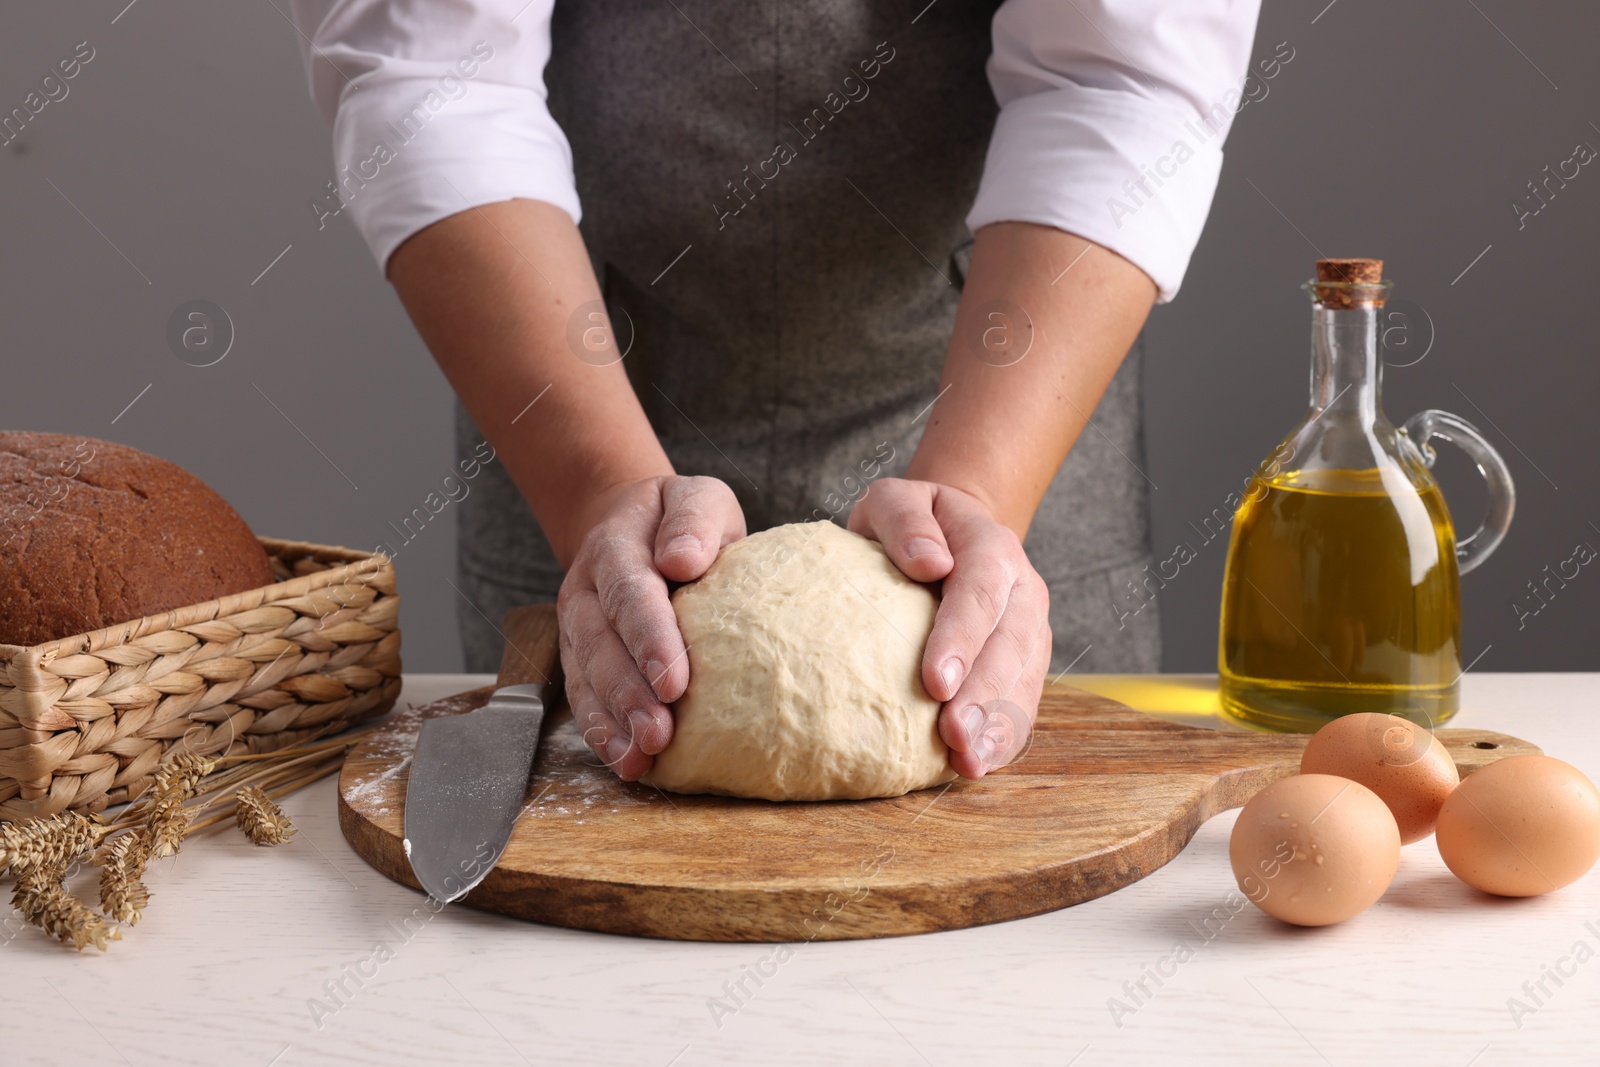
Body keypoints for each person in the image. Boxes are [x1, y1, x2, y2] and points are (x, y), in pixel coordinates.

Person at [291, 0, 1262, 782]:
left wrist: (977, 496)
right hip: (578, 394)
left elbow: (1120, 73)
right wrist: (599, 493)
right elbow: (431, 72)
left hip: (1003, 409)